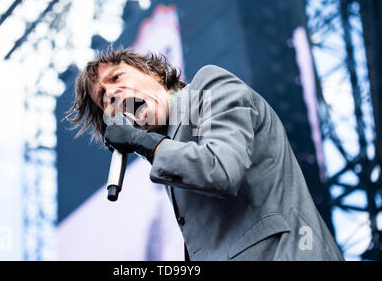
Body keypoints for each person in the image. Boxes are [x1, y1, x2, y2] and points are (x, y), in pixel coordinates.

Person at [67, 46, 344, 261]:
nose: (113, 93)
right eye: (104, 99)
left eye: (117, 78)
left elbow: (222, 169)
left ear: (155, 74)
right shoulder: (168, 149)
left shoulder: (205, 89)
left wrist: (144, 142)